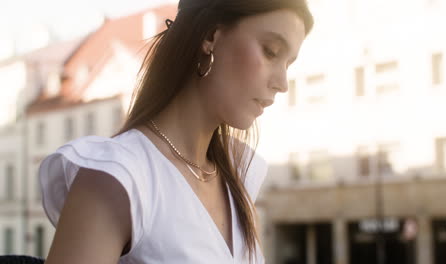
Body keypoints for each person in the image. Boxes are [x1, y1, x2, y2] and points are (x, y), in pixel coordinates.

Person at [38, 0, 313, 263]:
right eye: (271, 51)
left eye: (288, 64)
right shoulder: (119, 177)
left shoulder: (239, 180)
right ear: (210, 36)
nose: (282, 83)